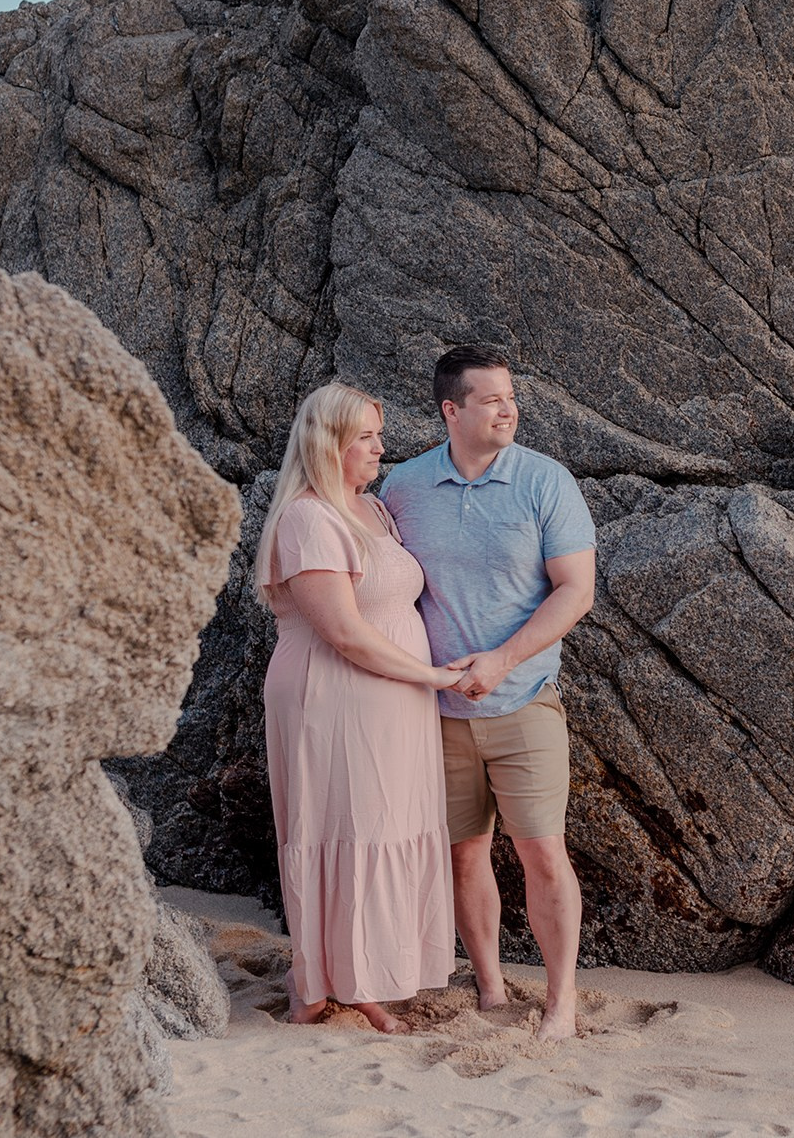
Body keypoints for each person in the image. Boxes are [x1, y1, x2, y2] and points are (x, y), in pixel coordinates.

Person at [382, 344, 597, 1043]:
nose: (508, 408)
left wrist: (503, 659)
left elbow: (577, 589)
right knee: (463, 853)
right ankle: (493, 985)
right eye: (491, 398)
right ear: (452, 409)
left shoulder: (545, 481)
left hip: (523, 700)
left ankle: (561, 1002)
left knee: (542, 851)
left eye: (511, 397)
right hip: (435, 712)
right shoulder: (403, 489)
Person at [254, 381, 461, 1033]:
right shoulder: (309, 519)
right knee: (346, 828)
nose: (380, 446)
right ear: (328, 443)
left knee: (387, 822)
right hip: (334, 696)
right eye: (365, 437)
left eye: (377, 434)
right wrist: (431, 672)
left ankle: (363, 974)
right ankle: (315, 982)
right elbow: (342, 631)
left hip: (393, 698)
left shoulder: (373, 511)